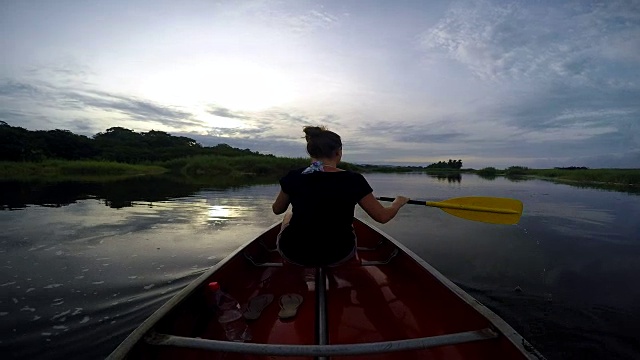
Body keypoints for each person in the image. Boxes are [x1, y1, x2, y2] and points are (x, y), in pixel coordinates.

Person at [272, 126, 410, 267]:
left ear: (311, 152)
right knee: (349, 223)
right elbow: (383, 217)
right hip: (339, 254)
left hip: (294, 252)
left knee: (288, 215)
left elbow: (277, 209)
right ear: (338, 152)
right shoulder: (354, 180)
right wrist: (397, 203)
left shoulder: (294, 176)